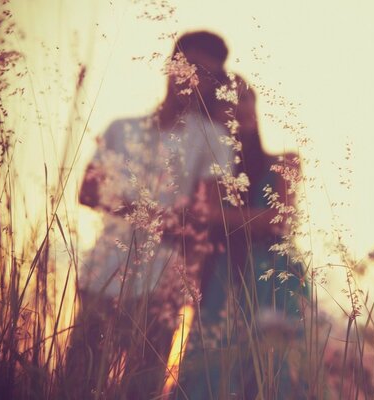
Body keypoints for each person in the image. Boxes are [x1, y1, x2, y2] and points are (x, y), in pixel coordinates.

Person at [66, 31, 236, 399]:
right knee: (76, 382)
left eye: (205, 75)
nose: (191, 80)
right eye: (187, 67)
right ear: (169, 65)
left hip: (162, 286)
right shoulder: (121, 128)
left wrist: (131, 205)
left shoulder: (214, 140)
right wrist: (161, 214)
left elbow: (201, 216)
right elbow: (88, 192)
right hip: (102, 271)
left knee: (141, 387)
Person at [175, 74, 309, 399]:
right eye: (227, 101)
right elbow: (197, 216)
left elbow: (278, 220)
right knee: (209, 371)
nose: (239, 106)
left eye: (246, 97)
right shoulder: (210, 170)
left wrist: (215, 218)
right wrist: (237, 219)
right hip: (222, 275)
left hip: (274, 279)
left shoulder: (284, 162)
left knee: (275, 373)